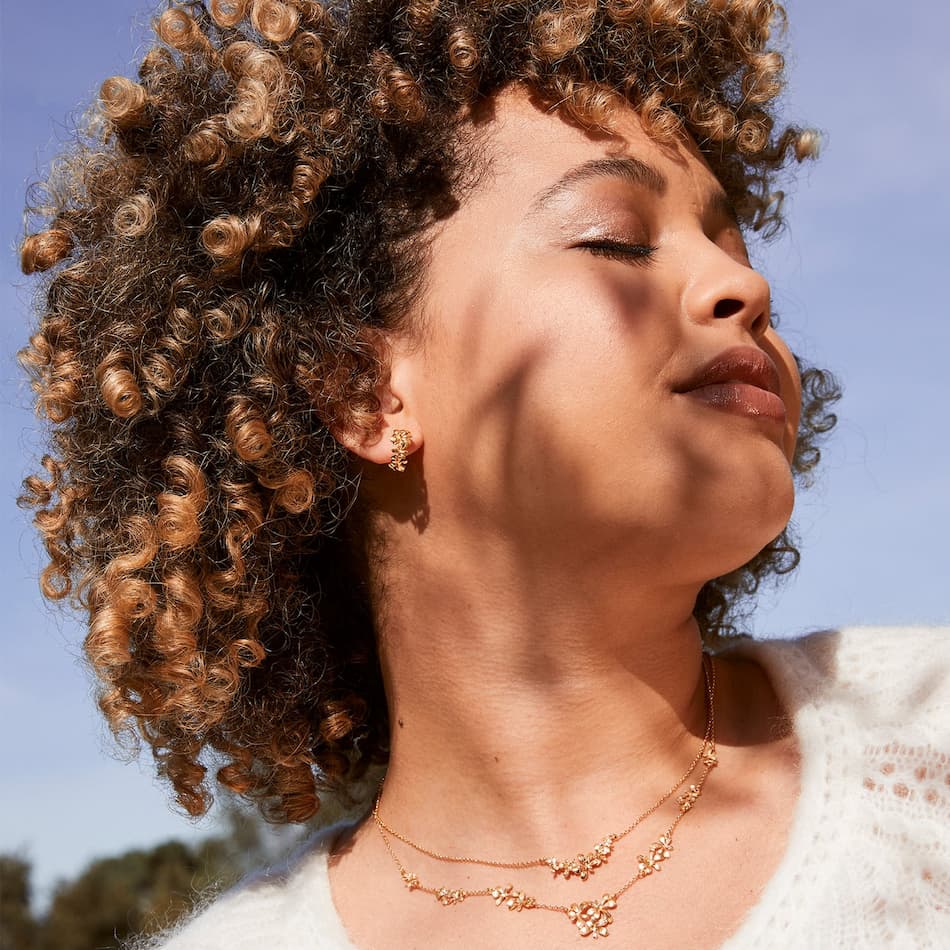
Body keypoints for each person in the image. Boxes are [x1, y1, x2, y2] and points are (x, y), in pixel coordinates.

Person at [18, 1, 948, 947]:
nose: (744, 288)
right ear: (363, 393)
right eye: (615, 240)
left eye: (732, 245)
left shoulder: (928, 733)